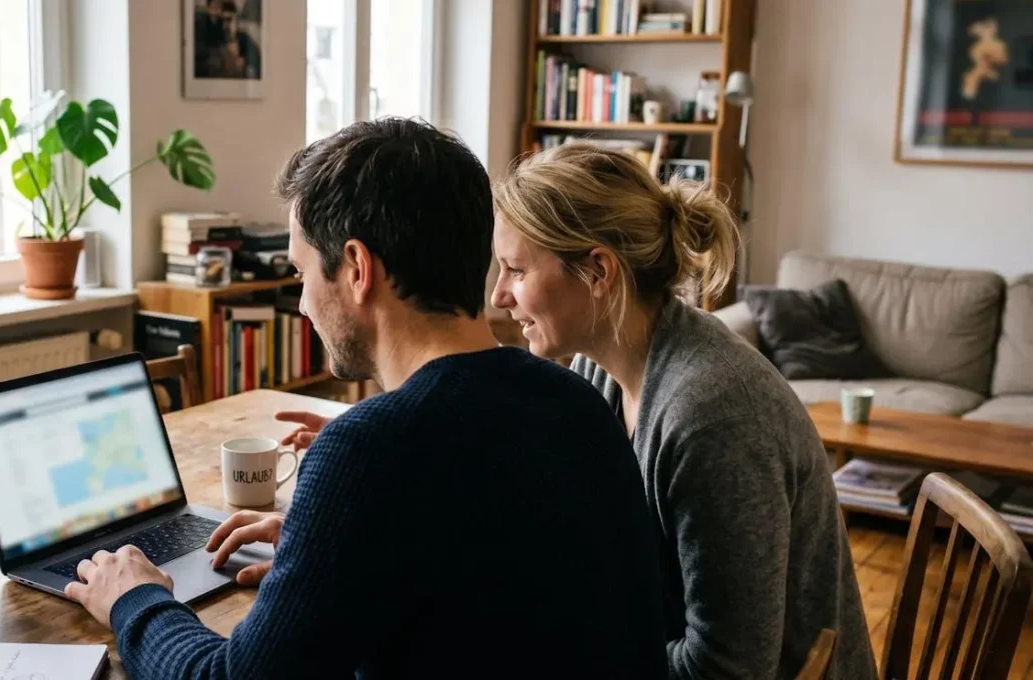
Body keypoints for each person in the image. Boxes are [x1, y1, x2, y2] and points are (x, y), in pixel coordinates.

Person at [64, 119, 668, 678]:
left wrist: (134, 598)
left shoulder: (372, 446)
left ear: (356, 267)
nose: (301, 304)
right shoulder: (578, 403)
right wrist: (324, 559)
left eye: (302, 273)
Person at [488, 142, 876, 679]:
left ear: (598, 271)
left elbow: (727, 669)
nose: (499, 296)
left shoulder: (713, 417)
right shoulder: (600, 369)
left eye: (516, 270)